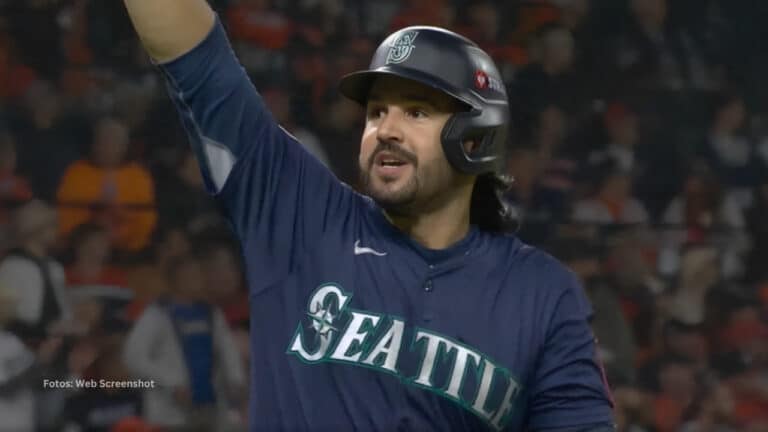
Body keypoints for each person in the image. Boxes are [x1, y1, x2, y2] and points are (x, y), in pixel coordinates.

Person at [123, 1, 615, 430]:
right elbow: (197, 61)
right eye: (377, 112)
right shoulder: (302, 217)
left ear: (475, 138)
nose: (386, 129)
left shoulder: (542, 295)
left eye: (416, 113)